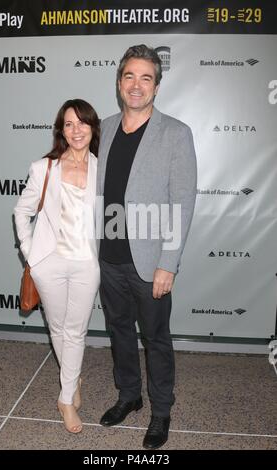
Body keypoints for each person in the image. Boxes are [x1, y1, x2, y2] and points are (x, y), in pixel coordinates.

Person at [97, 45, 197, 449]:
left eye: (145, 78)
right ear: (119, 82)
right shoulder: (102, 129)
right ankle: (128, 396)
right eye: (129, 77)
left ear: (157, 85)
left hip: (151, 261)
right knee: (119, 331)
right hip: (108, 256)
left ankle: (160, 411)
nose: (136, 86)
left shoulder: (175, 133)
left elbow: (183, 202)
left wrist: (168, 263)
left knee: (156, 338)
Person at [14, 99, 100, 434]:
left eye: (82, 123)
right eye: (69, 124)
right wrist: (30, 253)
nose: (76, 130)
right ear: (61, 130)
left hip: (86, 263)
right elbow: (22, 211)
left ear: (92, 127)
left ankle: (66, 399)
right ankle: (72, 381)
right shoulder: (44, 168)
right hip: (49, 262)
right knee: (58, 328)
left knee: (76, 331)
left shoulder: (101, 167)